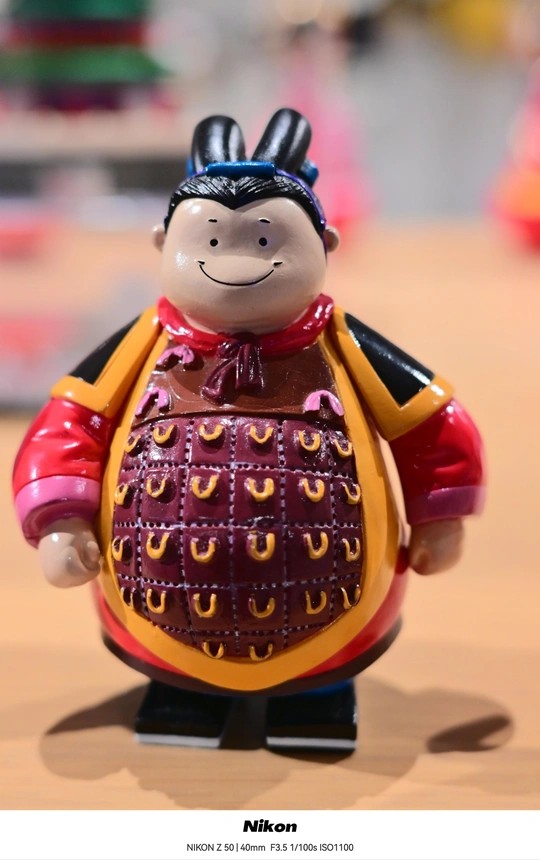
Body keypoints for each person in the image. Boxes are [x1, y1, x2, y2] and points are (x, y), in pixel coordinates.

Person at [13, 109, 485, 752]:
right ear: (163, 242)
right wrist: (61, 519)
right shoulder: (141, 342)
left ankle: (316, 697)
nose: (233, 263)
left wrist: (440, 518)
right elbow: (71, 423)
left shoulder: (345, 345)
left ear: (325, 245)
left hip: (338, 600)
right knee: (176, 675)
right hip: (154, 599)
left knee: (321, 672)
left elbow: (430, 423)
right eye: (209, 242)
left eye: (265, 242)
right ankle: (183, 693)